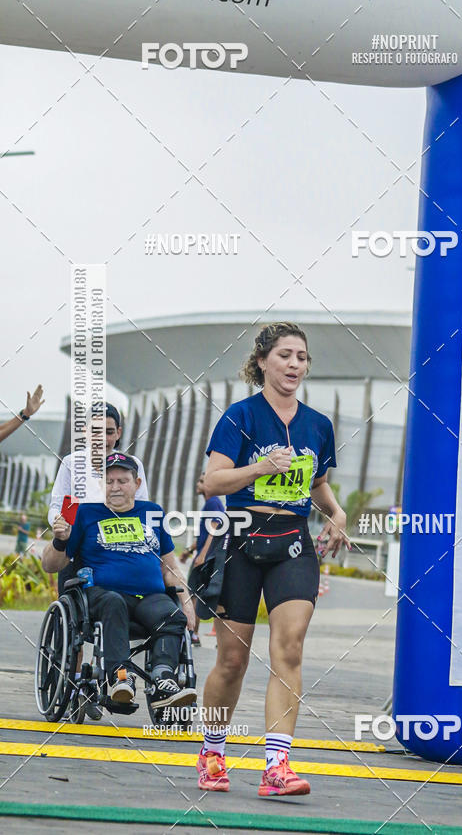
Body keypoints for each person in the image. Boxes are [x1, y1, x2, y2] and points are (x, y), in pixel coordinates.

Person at [197, 322, 350, 797]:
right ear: (263, 362)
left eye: (302, 357)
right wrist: (261, 467)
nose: (294, 365)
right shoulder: (240, 416)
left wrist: (337, 512)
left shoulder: (318, 425)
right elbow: (212, 482)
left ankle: (276, 767)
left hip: (292, 541)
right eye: (285, 355)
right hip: (242, 540)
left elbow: (317, 483)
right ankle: (213, 753)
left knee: (290, 648)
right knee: (231, 659)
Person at [42, 452, 197, 710]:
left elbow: (169, 566)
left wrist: (187, 602)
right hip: (104, 595)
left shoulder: (153, 512)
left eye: (122, 481)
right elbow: (51, 564)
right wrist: (60, 540)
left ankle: (164, 677)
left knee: (172, 614)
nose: (115, 487)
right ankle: (120, 678)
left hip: (150, 597)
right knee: (114, 603)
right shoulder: (86, 514)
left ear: (136, 484)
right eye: (109, 481)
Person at [48, 402, 148, 525]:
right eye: (95, 431)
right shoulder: (71, 462)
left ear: (118, 433)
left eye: (109, 432)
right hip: (80, 535)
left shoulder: (133, 464)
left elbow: (142, 506)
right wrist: (58, 522)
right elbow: (56, 505)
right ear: (85, 431)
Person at [180, 472, 225, 645]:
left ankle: (193, 634)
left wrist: (203, 555)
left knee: (193, 595)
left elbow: (214, 529)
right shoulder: (210, 503)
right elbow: (204, 534)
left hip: (207, 556)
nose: (198, 484)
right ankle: (197, 634)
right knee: (200, 594)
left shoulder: (213, 502)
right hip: (206, 554)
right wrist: (188, 550)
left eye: (201, 481)